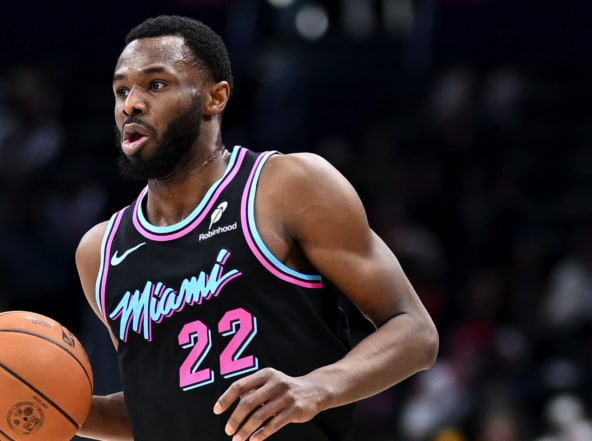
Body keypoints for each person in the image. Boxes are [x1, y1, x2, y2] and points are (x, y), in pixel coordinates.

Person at [70, 15, 439, 441]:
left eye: (156, 84)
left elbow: (414, 331)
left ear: (215, 97)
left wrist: (318, 387)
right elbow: (162, 408)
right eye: (121, 90)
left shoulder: (287, 187)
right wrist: (59, 410)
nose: (131, 104)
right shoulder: (99, 252)